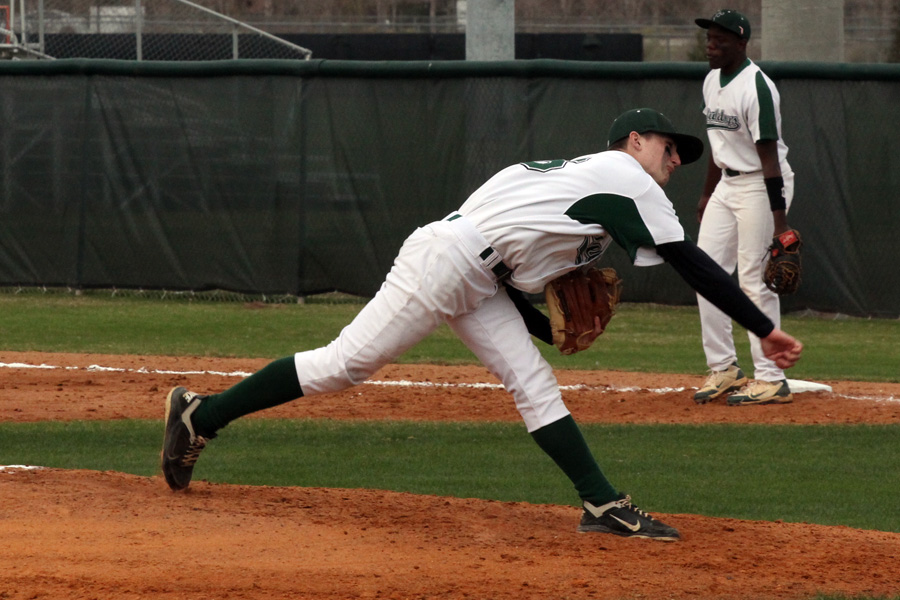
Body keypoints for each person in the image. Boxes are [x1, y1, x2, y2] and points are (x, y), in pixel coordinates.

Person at [161, 108, 803, 542]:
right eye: (669, 148)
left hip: (472, 270)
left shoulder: (553, 176)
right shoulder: (624, 178)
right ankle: (201, 415)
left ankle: (600, 504)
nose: (675, 160)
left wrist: (547, 330)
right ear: (634, 143)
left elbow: (503, 269)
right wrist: (762, 328)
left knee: (533, 380)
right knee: (344, 365)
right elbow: (690, 261)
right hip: (447, 263)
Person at [693, 10, 798, 406]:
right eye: (709, 39)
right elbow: (717, 144)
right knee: (705, 273)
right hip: (727, 182)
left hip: (761, 182)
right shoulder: (710, 80)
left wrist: (781, 226)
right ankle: (724, 368)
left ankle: (771, 377)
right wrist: (707, 194)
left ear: (741, 43)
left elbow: (769, 160)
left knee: (754, 280)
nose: (711, 45)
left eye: (720, 39)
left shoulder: (757, 87)